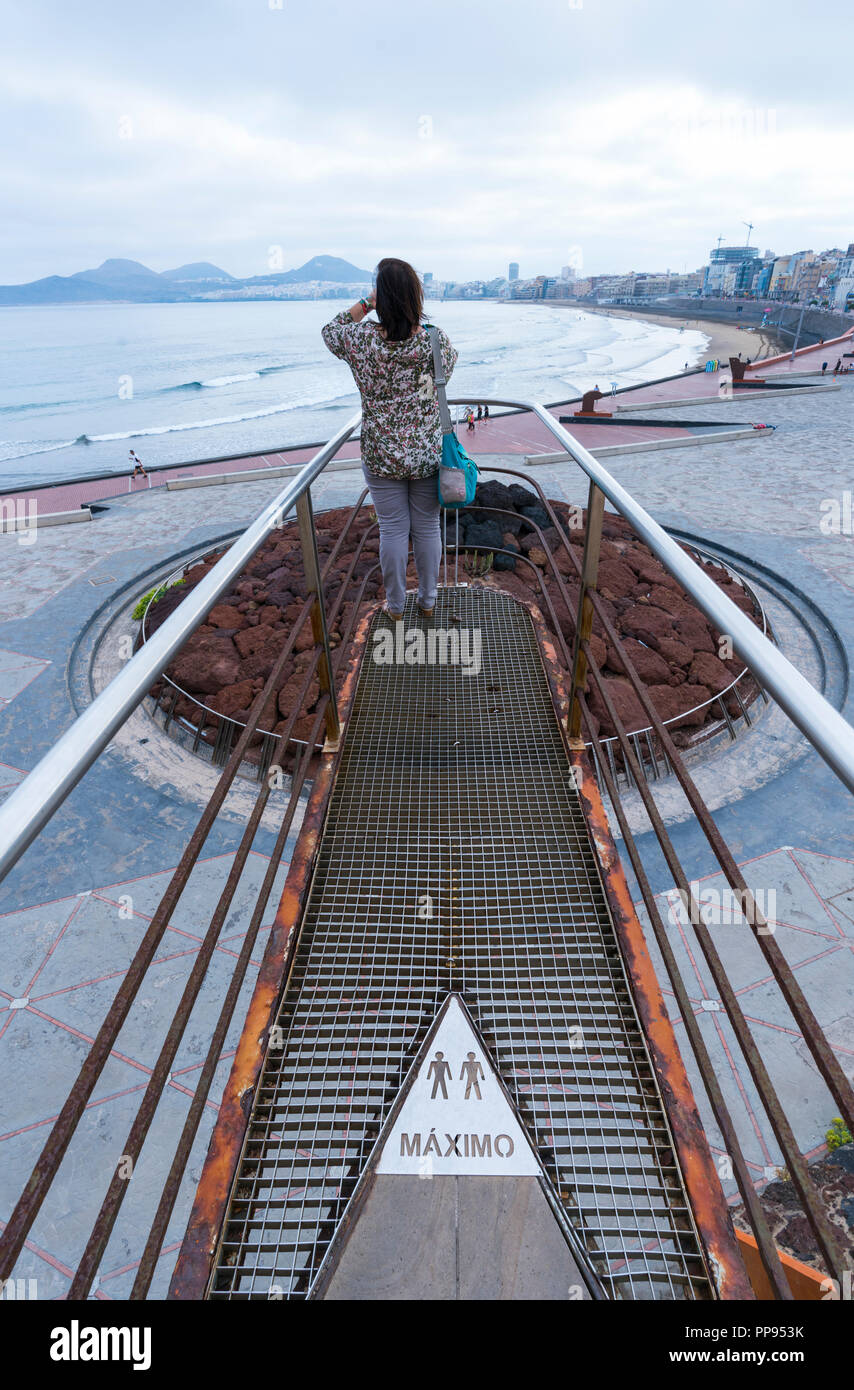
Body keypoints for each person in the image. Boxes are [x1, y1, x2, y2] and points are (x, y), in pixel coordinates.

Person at [322, 258, 457, 620]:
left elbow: (330, 329)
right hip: (428, 454)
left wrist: (367, 303)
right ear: (416, 296)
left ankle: (396, 607)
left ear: (382, 296)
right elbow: (448, 369)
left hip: (381, 454)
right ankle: (428, 601)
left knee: (393, 530)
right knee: (427, 526)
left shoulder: (360, 341)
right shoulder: (434, 340)